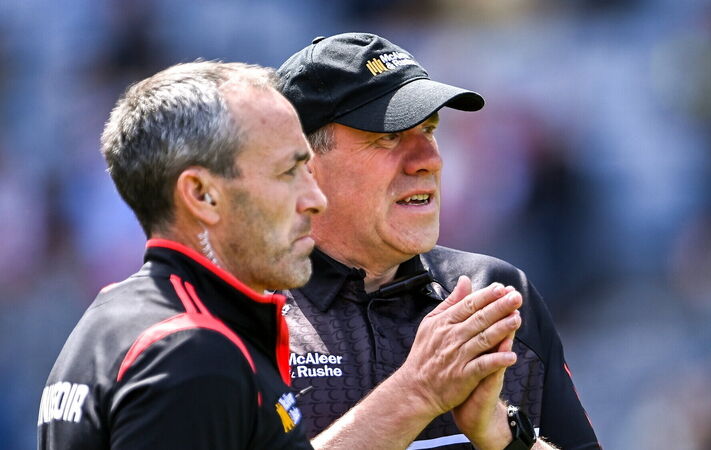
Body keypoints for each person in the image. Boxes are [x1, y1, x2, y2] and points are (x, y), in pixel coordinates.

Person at [37, 61, 522, 450]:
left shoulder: (111, 317)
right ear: (202, 195)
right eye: (289, 173)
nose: (313, 199)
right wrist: (418, 392)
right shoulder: (191, 354)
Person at [276, 33, 601, 450]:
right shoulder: (242, 312)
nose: (429, 160)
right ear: (305, 164)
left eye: (429, 130)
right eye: (389, 136)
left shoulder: (495, 296)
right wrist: (415, 394)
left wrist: (505, 437)